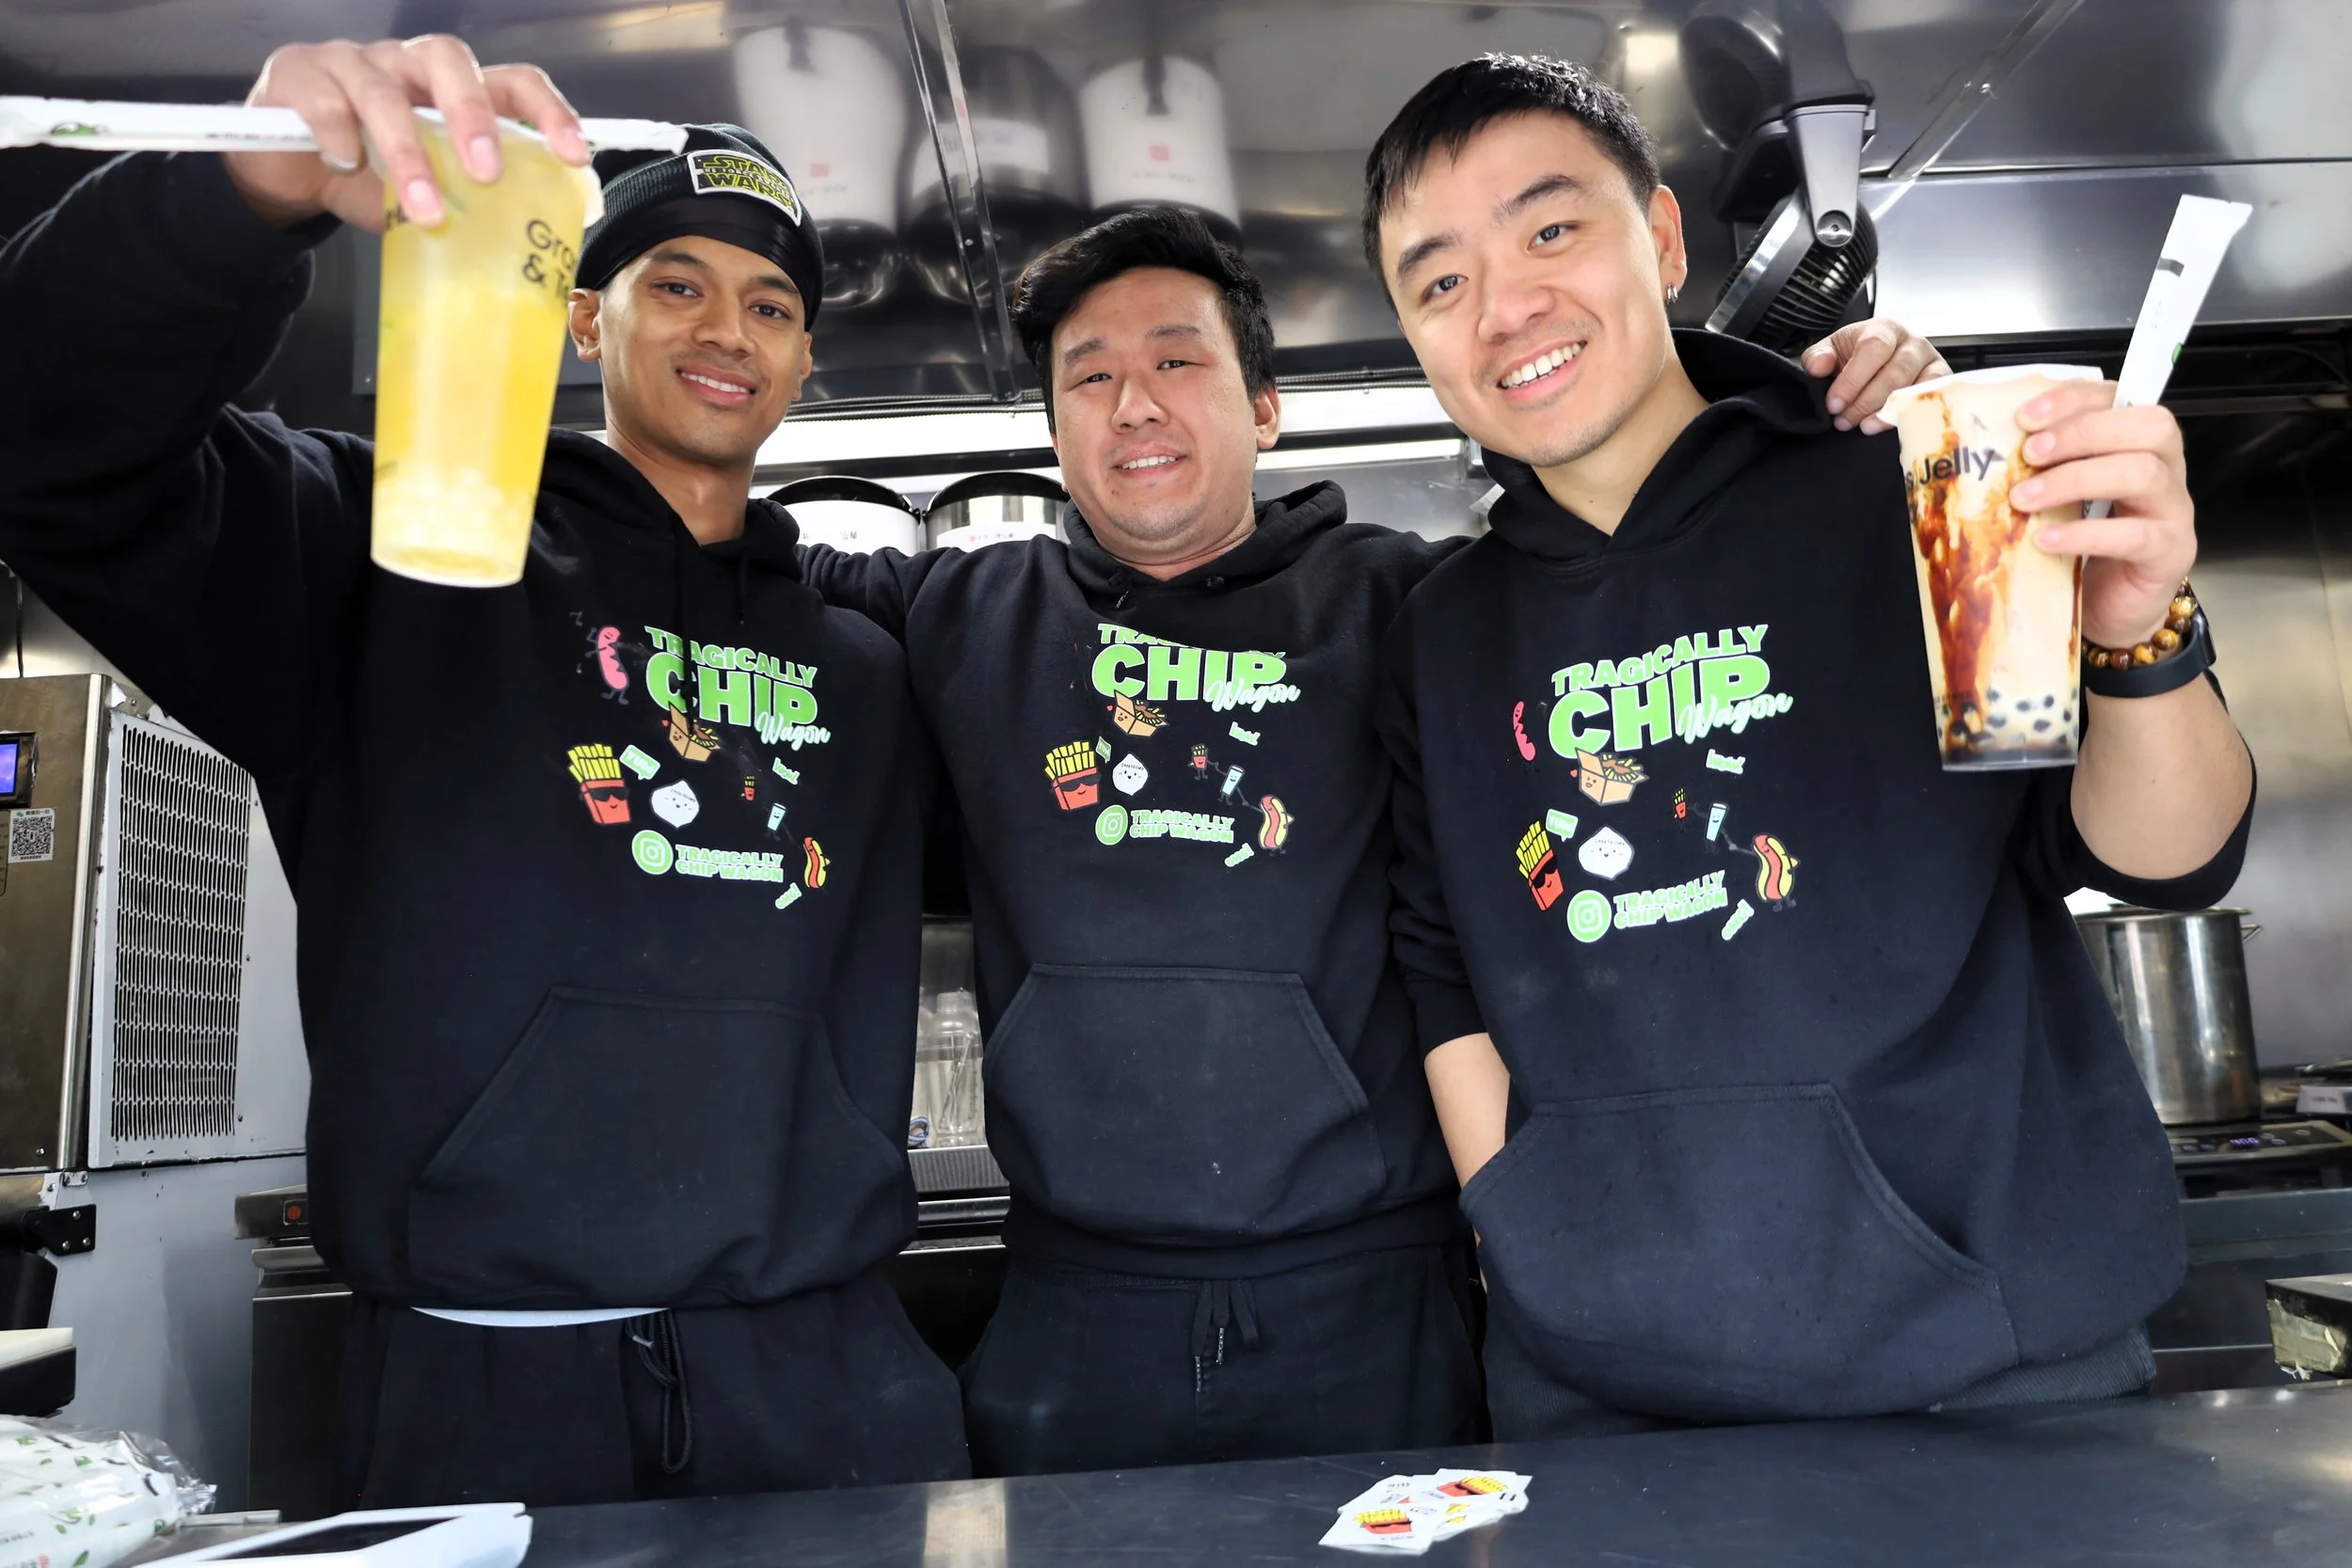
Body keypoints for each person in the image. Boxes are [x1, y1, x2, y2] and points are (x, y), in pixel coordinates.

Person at [793, 201, 1948, 1472]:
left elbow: (1656, 579)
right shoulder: (960, 611)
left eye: (1177, 360)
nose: (1133, 404)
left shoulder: (1420, 606)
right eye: (1092, 376)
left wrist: (1831, 412)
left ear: (1267, 406)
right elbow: (714, 561)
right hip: (1076, 1312)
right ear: (1056, 425)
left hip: (1377, 1299)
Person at [0, 37, 964, 1504]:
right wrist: (245, 198)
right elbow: (47, 444)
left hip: (827, 1377)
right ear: (586, 316)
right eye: (678, 282)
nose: (730, 327)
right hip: (487, 1384)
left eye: (772, 302)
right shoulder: (398, 554)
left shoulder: (871, 658)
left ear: (805, 362)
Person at [1360, 55, 2255, 1438]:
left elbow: (2162, 852)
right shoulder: (1438, 630)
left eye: (1550, 230)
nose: (1506, 307)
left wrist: (2140, 632)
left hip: (1992, 1368)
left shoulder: (1909, 492)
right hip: (1598, 1394)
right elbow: (1441, 970)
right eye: (1439, 281)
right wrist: (1535, 1231)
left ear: (1659, 240)